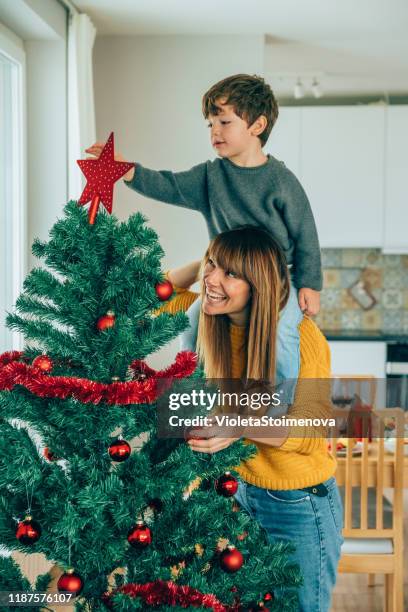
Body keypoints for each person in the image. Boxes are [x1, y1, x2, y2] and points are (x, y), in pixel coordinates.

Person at [85, 73, 322, 390]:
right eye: (210, 125)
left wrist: (309, 284)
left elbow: (306, 234)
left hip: (273, 280)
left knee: (284, 330)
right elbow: (168, 184)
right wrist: (128, 171)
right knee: (195, 322)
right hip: (224, 277)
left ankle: (279, 401)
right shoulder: (210, 177)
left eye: (224, 122)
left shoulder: (281, 181)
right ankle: (194, 391)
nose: (215, 132)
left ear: (257, 126)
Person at [162, 227, 343, 612]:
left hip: (297, 503)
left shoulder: (303, 337)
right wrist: (211, 264)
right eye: (212, 266)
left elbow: (311, 431)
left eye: (231, 274)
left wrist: (237, 426)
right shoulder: (211, 320)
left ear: (258, 285)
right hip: (238, 494)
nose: (212, 280)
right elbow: (151, 295)